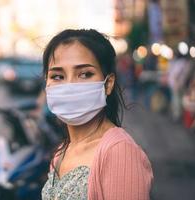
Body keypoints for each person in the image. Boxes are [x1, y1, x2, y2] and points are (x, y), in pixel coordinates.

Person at [41, 29, 153, 200]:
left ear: (108, 84)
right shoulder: (61, 152)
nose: (70, 86)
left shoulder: (119, 152)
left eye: (85, 74)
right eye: (57, 76)